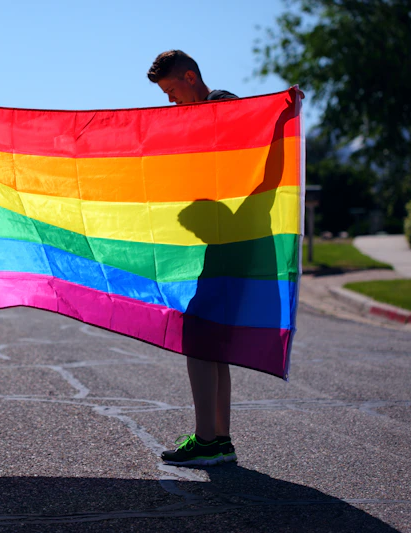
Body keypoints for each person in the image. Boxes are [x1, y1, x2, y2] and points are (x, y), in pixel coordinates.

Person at [146, 50, 238, 467]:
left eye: (171, 91)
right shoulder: (207, 113)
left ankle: (206, 440)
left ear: (189, 76)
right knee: (212, 341)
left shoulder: (220, 106)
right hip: (223, 241)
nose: (170, 101)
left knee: (199, 337)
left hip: (231, 241)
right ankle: (219, 440)